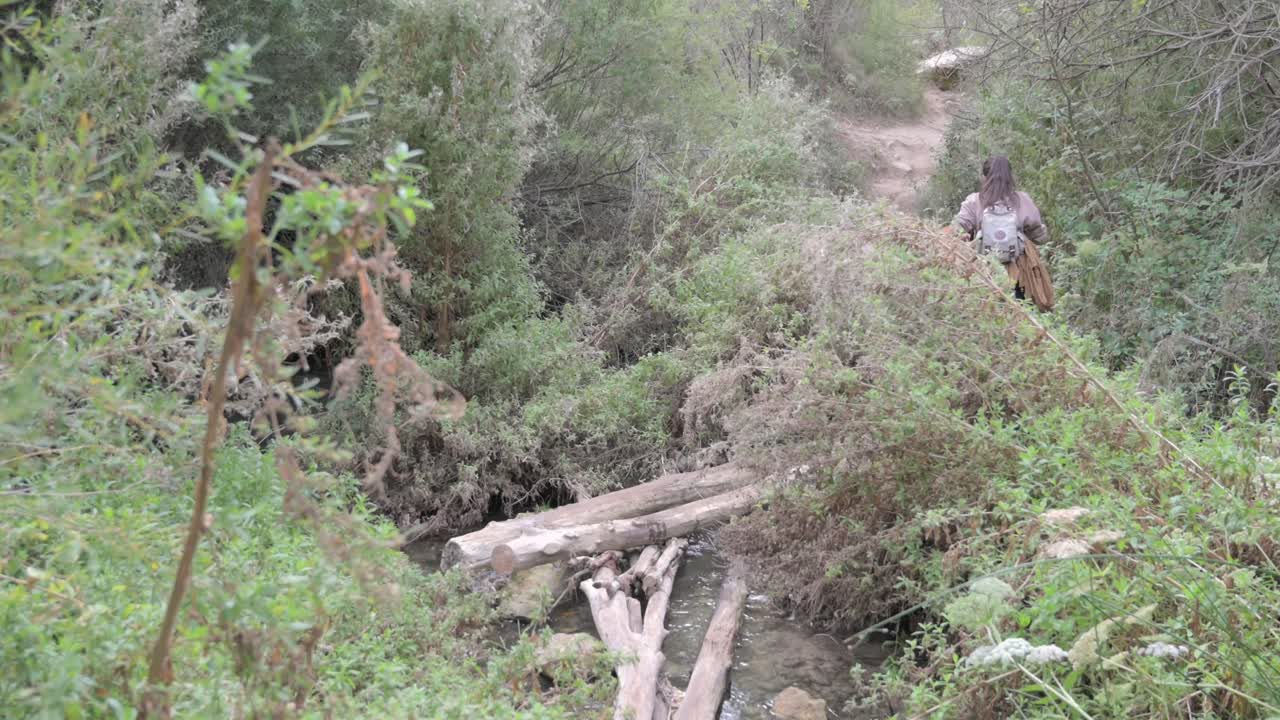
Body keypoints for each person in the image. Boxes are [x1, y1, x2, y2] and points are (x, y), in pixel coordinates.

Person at [950, 155, 1053, 309]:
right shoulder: (1023, 200)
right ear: (1010, 177)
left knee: (987, 311)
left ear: (984, 178)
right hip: (1020, 271)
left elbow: (957, 229)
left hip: (985, 271)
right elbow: (1039, 235)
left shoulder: (974, 201)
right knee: (1023, 312)